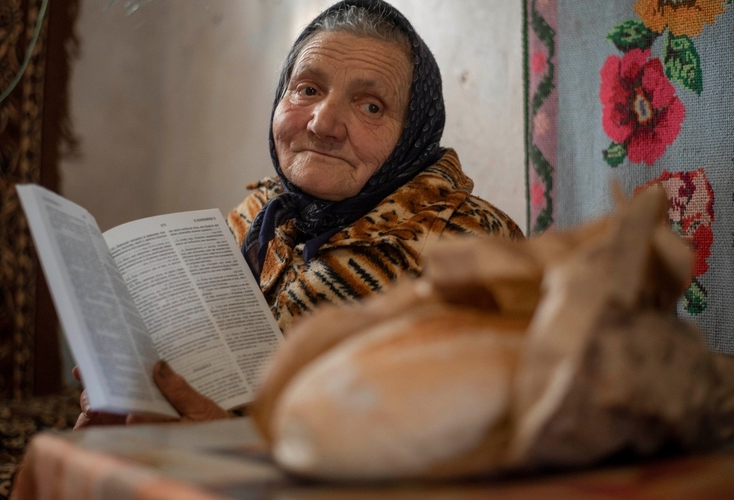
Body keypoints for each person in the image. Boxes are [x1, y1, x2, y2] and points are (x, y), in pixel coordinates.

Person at [74, 0, 522, 428]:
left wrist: (229, 443)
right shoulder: (255, 216)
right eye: (307, 90)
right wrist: (137, 396)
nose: (323, 124)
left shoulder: (472, 244)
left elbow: (476, 440)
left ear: (414, 130)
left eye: (371, 106)